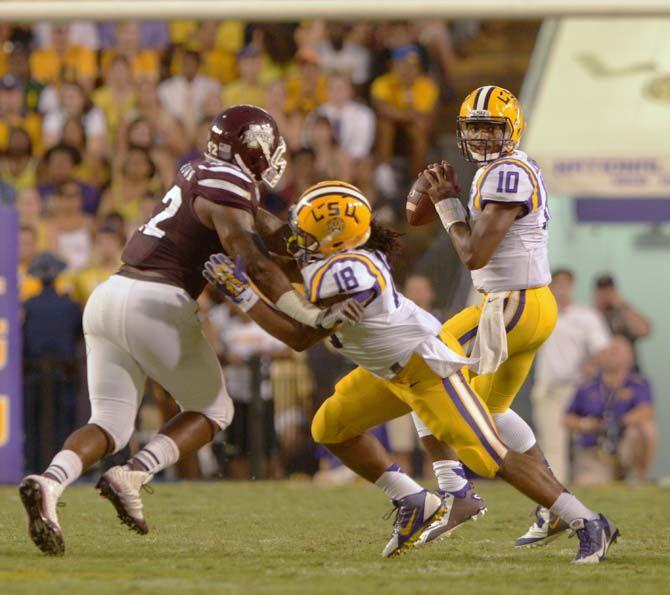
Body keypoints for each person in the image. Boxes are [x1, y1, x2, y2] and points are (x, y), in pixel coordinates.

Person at [204, 180, 618, 563]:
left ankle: (588, 522)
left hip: (425, 368)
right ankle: (414, 500)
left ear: (331, 237)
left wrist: (243, 294)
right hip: (388, 372)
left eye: (306, 230)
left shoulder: (347, 272)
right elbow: (278, 258)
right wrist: (243, 200)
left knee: (492, 455)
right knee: (330, 427)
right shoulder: (334, 259)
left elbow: (297, 335)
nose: (296, 238)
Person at [19, 105, 364, 557]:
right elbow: (255, 261)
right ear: (253, 149)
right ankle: (134, 474)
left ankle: (49, 482)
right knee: (214, 408)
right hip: (157, 301)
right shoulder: (231, 184)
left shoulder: (202, 173)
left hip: (110, 294)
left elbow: (269, 235)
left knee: (109, 422)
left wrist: (313, 241)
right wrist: (307, 310)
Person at [409, 86, 574, 550]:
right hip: (526, 303)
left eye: (490, 127)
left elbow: (474, 254)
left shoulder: (507, 174)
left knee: (420, 365)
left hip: (510, 304)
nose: (481, 136)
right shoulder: (502, 169)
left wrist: (445, 204)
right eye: (474, 127)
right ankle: (555, 503)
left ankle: (454, 491)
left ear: (511, 129)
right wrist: (430, 197)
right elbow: (422, 219)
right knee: (495, 411)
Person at [531, 269, 611, 483]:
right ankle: (556, 495)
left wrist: (591, 364)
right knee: (552, 444)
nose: (561, 289)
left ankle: (587, 485)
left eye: (566, 284)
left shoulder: (585, 316)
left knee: (584, 444)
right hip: (548, 388)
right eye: (557, 284)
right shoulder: (540, 315)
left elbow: (602, 349)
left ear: (573, 286)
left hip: (578, 391)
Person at [565, 335, 656, 485]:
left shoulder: (638, 383)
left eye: (617, 351)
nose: (610, 354)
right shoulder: (587, 385)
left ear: (630, 358)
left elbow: (647, 411)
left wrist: (619, 423)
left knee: (646, 429)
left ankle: (639, 479)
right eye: (608, 351)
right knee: (586, 483)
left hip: (625, 444)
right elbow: (567, 418)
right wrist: (586, 424)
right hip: (595, 448)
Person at [371, 44, 438, 177]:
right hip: (389, 133)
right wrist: (408, 114)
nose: (408, 69)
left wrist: (397, 113)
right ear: (392, 65)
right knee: (385, 124)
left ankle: (416, 178)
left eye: (413, 65)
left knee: (419, 129)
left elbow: (425, 118)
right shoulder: (382, 83)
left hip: (414, 131)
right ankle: (385, 174)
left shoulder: (427, 85)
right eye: (403, 64)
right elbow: (382, 110)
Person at [593, 273, 652, 368]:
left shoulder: (624, 313)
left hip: (628, 372)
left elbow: (645, 331)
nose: (605, 295)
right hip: (602, 374)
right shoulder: (590, 316)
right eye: (602, 291)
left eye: (608, 291)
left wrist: (623, 305)